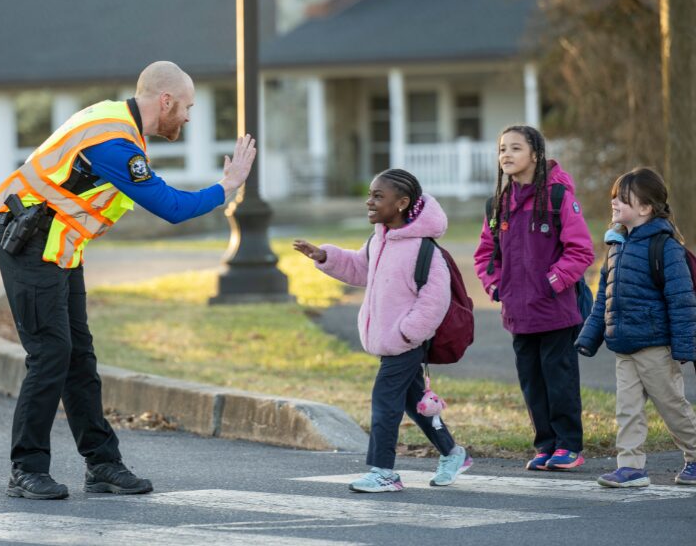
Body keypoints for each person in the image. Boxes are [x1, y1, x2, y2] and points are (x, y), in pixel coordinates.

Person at [0, 61, 256, 500]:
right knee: (51, 353)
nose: (188, 117)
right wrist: (227, 186)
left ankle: (103, 465)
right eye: (186, 107)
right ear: (165, 101)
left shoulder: (116, 122)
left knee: (78, 356)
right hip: (30, 243)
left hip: (58, 245)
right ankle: (26, 469)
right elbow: (171, 207)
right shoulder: (114, 142)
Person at [293, 169, 472, 493]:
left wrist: (407, 334)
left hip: (404, 341)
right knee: (413, 400)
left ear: (402, 203)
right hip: (392, 339)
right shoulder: (380, 238)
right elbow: (361, 268)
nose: (369, 201)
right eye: (370, 195)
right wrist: (324, 256)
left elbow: (435, 299)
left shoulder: (425, 250)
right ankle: (452, 452)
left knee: (384, 400)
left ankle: (384, 471)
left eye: (378, 196)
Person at [473, 125, 594, 472]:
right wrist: (497, 286)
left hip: (556, 309)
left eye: (515, 148)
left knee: (559, 379)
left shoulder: (558, 197)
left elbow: (581, 250)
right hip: (517, 312)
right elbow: (486, 254)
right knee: (531, 381)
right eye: (501, 150)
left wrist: (551, 282)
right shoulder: (498, 203)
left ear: (536, 155)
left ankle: (568, 446)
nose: (506, 155)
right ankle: (545, 445)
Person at [576, 167, 696, 488]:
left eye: (623, 200)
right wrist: (590, 336)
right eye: (613, 198)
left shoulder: (665, 246)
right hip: (624, 345)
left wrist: (686, 347)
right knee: (627, 410)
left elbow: (682, 299)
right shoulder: (615, 245)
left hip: (656, 346)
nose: (614, 204)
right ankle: (631, 467)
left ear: (646, 208)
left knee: (672, 408)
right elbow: (605, 297)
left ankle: (695, 455)